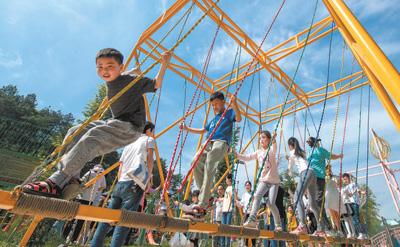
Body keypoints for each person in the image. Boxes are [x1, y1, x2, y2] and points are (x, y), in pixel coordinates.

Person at [23, 48, 171, 197]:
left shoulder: (132, 82)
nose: (104, 71)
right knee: (75, 131)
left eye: (109, 66)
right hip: (115, 122)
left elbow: (156, 84)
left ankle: (55, 182)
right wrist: (134, 69)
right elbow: (125, 72)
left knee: (94, 135)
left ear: (120, 67)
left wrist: (164, 63)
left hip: (130, 127)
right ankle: (72, 178)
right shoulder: (116, 78)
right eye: (100, 67)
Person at [90, 121, 156, 247]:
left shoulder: (129, 143)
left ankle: (95, 244)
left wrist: (121, 181)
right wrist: (147, 179)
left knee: (107, 218)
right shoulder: (149, 140)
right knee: (124, 220)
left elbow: (121, 166)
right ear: (149, 130)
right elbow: (149, 159)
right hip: (135, 183)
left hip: (121, 183)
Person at [180, 91, 242, 215]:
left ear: (223, 102)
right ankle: (207, 197)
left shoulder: (228, 113)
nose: (215, 107)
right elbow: (203, 130)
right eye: (213, 105)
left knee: (210, 162)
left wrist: (234, 103)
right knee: (195, 161)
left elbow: (239, 118)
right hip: (209, 142)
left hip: (221, 142)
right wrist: (187, 129)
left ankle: (202, 203)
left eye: (217, 104)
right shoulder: (213, 120)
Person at [235, 131, 282, 231]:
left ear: (268, 139)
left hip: (274, 181)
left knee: (270, 203)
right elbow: (247, 157)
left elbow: (274, 146)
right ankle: (252, 219)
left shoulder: (271, 150)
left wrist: (273, 138)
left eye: (263, 137)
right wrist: (237, 155)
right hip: (264, 180)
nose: (261, 140)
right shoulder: (258, 152)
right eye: (260, 138)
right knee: (257, 195)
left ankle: (278, 225)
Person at [287, 137, 326, 236]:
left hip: (305, 173)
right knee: (313, 204)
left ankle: (302, 225)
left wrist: (289, 172)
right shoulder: (302, 152)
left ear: (290, 146)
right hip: (313, 174)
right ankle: (321, 228)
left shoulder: (292, 152)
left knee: (297, 196)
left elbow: (290, 169)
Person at [306, 137, 343, 230]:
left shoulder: (309, 153)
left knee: (315, 202)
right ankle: (326, 227)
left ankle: (323, 226)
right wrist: (339, 156)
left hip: (310, 178)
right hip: (319, 178)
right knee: (319, 202)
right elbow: (331, 156)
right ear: (317, 143)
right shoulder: (320, 150)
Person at [63, 165, 106, 243]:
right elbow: (103, 186)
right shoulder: (102, 175)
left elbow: (82, 181)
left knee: (71, 217)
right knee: (81, 220)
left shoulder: (90, 172)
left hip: (80, 197)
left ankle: (64, 236)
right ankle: (74, 239)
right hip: (90, 199)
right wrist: (96, 191)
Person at [342, 173, 367, 239]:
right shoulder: (345, 187)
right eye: (344, 180)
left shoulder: (354, 184)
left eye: (345, 179)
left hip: (355, 202)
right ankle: (361, 233)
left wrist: (362, 192)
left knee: (356, 218)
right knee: (354, 219)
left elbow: (358, 191)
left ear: (348, 178)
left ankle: (361, 233)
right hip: (350, 203)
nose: (345, 181)